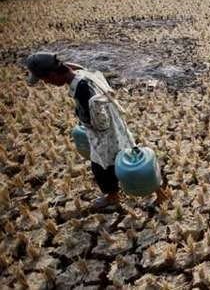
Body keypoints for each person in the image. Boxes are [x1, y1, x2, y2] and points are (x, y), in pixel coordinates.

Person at [24, 52, 167, 208]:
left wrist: (84, 119)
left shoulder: (83, 90)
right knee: (129, 158)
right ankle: (144, 193)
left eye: (46, 80)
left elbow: (101, 124)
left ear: (52, 75)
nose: (47, 83)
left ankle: (119, 196)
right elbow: (77, 67)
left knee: (111, 168)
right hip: (118, 128)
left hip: (106, 137)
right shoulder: (80, 74)